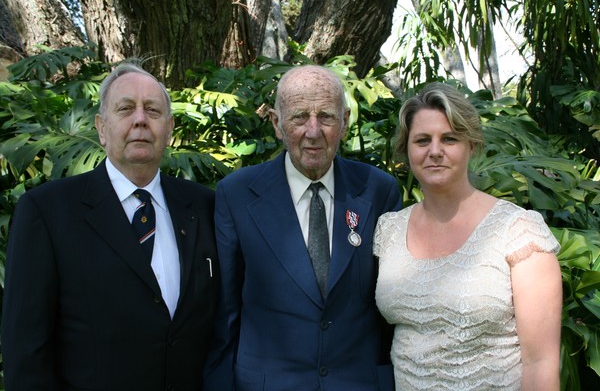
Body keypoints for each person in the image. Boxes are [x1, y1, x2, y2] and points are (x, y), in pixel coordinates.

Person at [1, 62, 220, 390]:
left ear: (170, 129)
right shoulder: (47, 212)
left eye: (152, 110)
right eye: (126, 108)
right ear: (102, 128)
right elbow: (26, 349)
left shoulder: (204, 206)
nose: (140, 120)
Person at [203, 65, 402, 391]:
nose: (313, 131)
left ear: (345, 121)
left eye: (326, 116)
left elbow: (392, 306)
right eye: (299, 117)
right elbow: (225, 314)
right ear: (277, 124)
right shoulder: (236, 195)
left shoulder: (378, 191)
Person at [374, 82, 562, 390]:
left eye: (449, 139)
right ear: (406, 150)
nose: (435, 151)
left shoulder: (518, 231)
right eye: (422, 140)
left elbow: (540, 363)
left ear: (471, 145)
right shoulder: (389, 230)